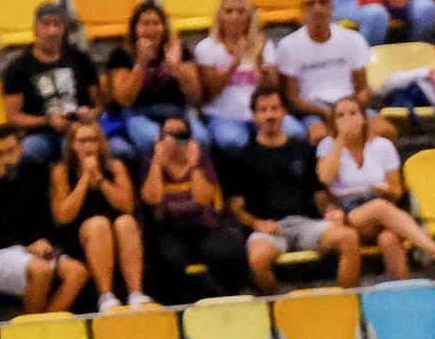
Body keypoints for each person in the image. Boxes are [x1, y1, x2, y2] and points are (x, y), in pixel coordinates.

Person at [222, 85, 360, 292]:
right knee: (257, 259)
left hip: (306, 223)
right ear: (254, 116)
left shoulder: (303, 149)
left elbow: (318, 193)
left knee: (349, 238)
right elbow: (235, 207)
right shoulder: (242, 157)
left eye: (274, 108)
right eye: (263, 110)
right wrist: (257, 223)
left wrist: (330, 210)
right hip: (270, 229)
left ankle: (347, 304)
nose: (270, 115)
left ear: (284, 112)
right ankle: (277, 309)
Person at [317, 95, 435, 278]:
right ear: (333, 122)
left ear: (363, 117)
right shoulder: (327, 146)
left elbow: (396, 191)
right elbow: (325, 176)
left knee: (389, 238)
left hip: (381, 203)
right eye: (340, 116)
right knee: (379, 208)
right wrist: (340, 141)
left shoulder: (382, 146)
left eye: (353, 113)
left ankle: (404, 293)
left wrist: (382, 189)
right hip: (347, 211)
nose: (348, 119)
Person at [0, 124, 88, 314]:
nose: (5, 158)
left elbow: (49, 220)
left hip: (30, 250)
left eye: (10, 151)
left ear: (21, 148)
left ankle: (45, 326)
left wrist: (45, 242)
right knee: (40, 270)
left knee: (77, 272)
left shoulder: (36, 174)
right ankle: (33, 330)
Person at [138, 118, 250, 302]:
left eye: (180, 135)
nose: (173, 140)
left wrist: (193, 165)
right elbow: (153, 198)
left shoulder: (202, 162)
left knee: (228, 250)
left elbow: (202, 200)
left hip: (204, 227)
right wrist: (158, 163)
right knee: (166, 258)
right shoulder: (151, 163)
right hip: (169, 230)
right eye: (167, 135)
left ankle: (227, 298)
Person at [49, 117, 149, 312]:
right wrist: (85, 179)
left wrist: (100, 179)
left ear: (101, 143)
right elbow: (63, 216)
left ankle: (136, 293)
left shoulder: (115, 167)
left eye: (93, 140)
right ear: (72, 145)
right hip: (80, 235)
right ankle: (105, 295)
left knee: (126, 222)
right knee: (98, 224)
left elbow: (127, 206)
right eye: (82, 141)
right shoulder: (61, 171)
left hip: (117, 229)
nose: (88, 146)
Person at [3, 3, 107, 165]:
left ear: (64, 29)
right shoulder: (18, 67)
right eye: (46, 24)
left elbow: (100, 105)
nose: (52, 31)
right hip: (41, 133)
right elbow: (13, 116)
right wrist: (47, 121)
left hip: (80, 128)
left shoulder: (80, 59)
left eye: (57, 24)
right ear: (35, 28)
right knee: (27, 153)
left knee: (90, 148)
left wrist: (91, 114)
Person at [274, 0, 375, 144]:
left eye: (323, 2)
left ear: (332, 6)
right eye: (311, 4)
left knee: (384, 130)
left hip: (349, 104)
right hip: (313, 110)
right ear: (303, 10)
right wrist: (325, 112)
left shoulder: (352, 39)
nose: (317, 8)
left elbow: (363, 88)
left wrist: (349, 110)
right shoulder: (288, 46)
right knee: (320, 136)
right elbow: (292, 98)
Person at [106, 1, 204, 157]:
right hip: (138, 113)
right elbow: (123, 99)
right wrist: (140, 63)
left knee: (201, 138)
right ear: (135, 29)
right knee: (151, 139)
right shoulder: (121, 55)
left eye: (156, 23)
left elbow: (195, 95)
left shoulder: (180, 51)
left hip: (177, 112)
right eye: (145, 24)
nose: (151, 29)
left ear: (164, 27)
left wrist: (176, 67)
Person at [193, 0, 282, 151]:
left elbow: (272, 89)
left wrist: (260, 60)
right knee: (233, 141)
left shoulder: (263, 44)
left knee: (294, 132)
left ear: (249, 16)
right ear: (219, 16)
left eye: (241, 12)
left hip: (261, 114)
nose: (235, 17)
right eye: (229, 11)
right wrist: (235, 61)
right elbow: (212, 90)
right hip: (223, 115)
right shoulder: (207, 48)